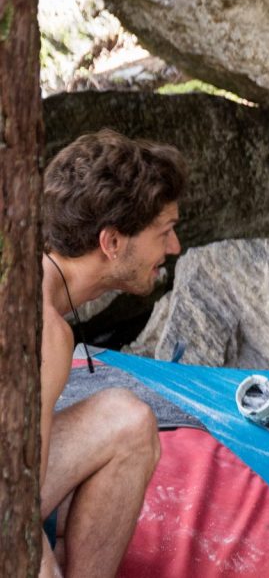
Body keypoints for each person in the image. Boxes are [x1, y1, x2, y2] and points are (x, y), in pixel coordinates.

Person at [38, 130, 186, 577]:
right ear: (112, 242)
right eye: (164, 232)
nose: (174, 248)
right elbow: (10, 502)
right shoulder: (43, 333)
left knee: (128, 421)